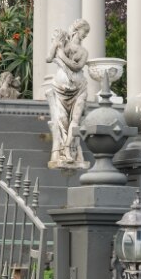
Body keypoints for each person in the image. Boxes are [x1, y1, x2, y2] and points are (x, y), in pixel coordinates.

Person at [46, 19, 91, 170]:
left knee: (76, 119)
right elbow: (48, 58)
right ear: (77, 30)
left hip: (79, 88)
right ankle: (62, 149)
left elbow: (77, 66)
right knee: (62, 119)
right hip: (60, 88)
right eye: (85, 32)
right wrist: (56, 45)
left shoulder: (84, 52)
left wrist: (61, 56)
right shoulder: (63, 43)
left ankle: (66, 149)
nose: (85, 35)